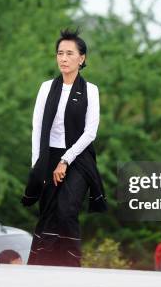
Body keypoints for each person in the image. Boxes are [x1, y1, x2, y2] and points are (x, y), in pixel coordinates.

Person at [22, 29, 106, 267]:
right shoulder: (46, 87)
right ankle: (43, 266)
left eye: (70, 53)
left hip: (77, 157)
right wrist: (37, 166)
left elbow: (91, 132)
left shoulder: (91, 90)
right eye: (60, 53)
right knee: (47, 213)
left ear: (82, 59)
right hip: (49, 155)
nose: (63, 58)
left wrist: (66, 160)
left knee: (67, 210)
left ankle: (70, 267)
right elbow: (37, 128)